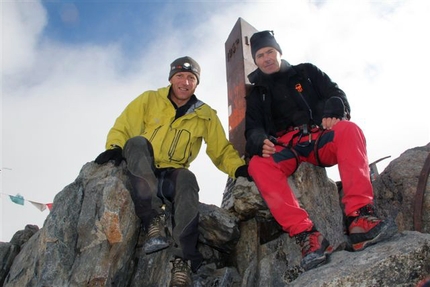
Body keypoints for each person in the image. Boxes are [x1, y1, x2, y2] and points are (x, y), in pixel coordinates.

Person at [244, 31, 397, 271]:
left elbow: (334, 92)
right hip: (285, 147)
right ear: (255, 60)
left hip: (318, 137)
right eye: (261, 55)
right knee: (258, 165)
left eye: (270, 52)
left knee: (349, 130)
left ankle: (359, 218)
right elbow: (253, 128)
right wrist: (258, 140)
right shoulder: (256, 94)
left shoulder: (306, 72)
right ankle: (308, 236)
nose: (267, 58)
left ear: (279, 52)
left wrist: (336, 108)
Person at [94, 56, 249, 286]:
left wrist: (239, 168)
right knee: (136, 142)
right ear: (171, 79)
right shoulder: (150, 99)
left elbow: (220, 150)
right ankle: (153, 222)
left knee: (187, 178)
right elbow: (124, 125)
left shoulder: (205, 115)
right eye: (180, 76)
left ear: (196, 84)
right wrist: (115, 147)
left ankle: (183, 262)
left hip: (171, 176)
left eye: (190, 78)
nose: (184, 82)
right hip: (142, 168)